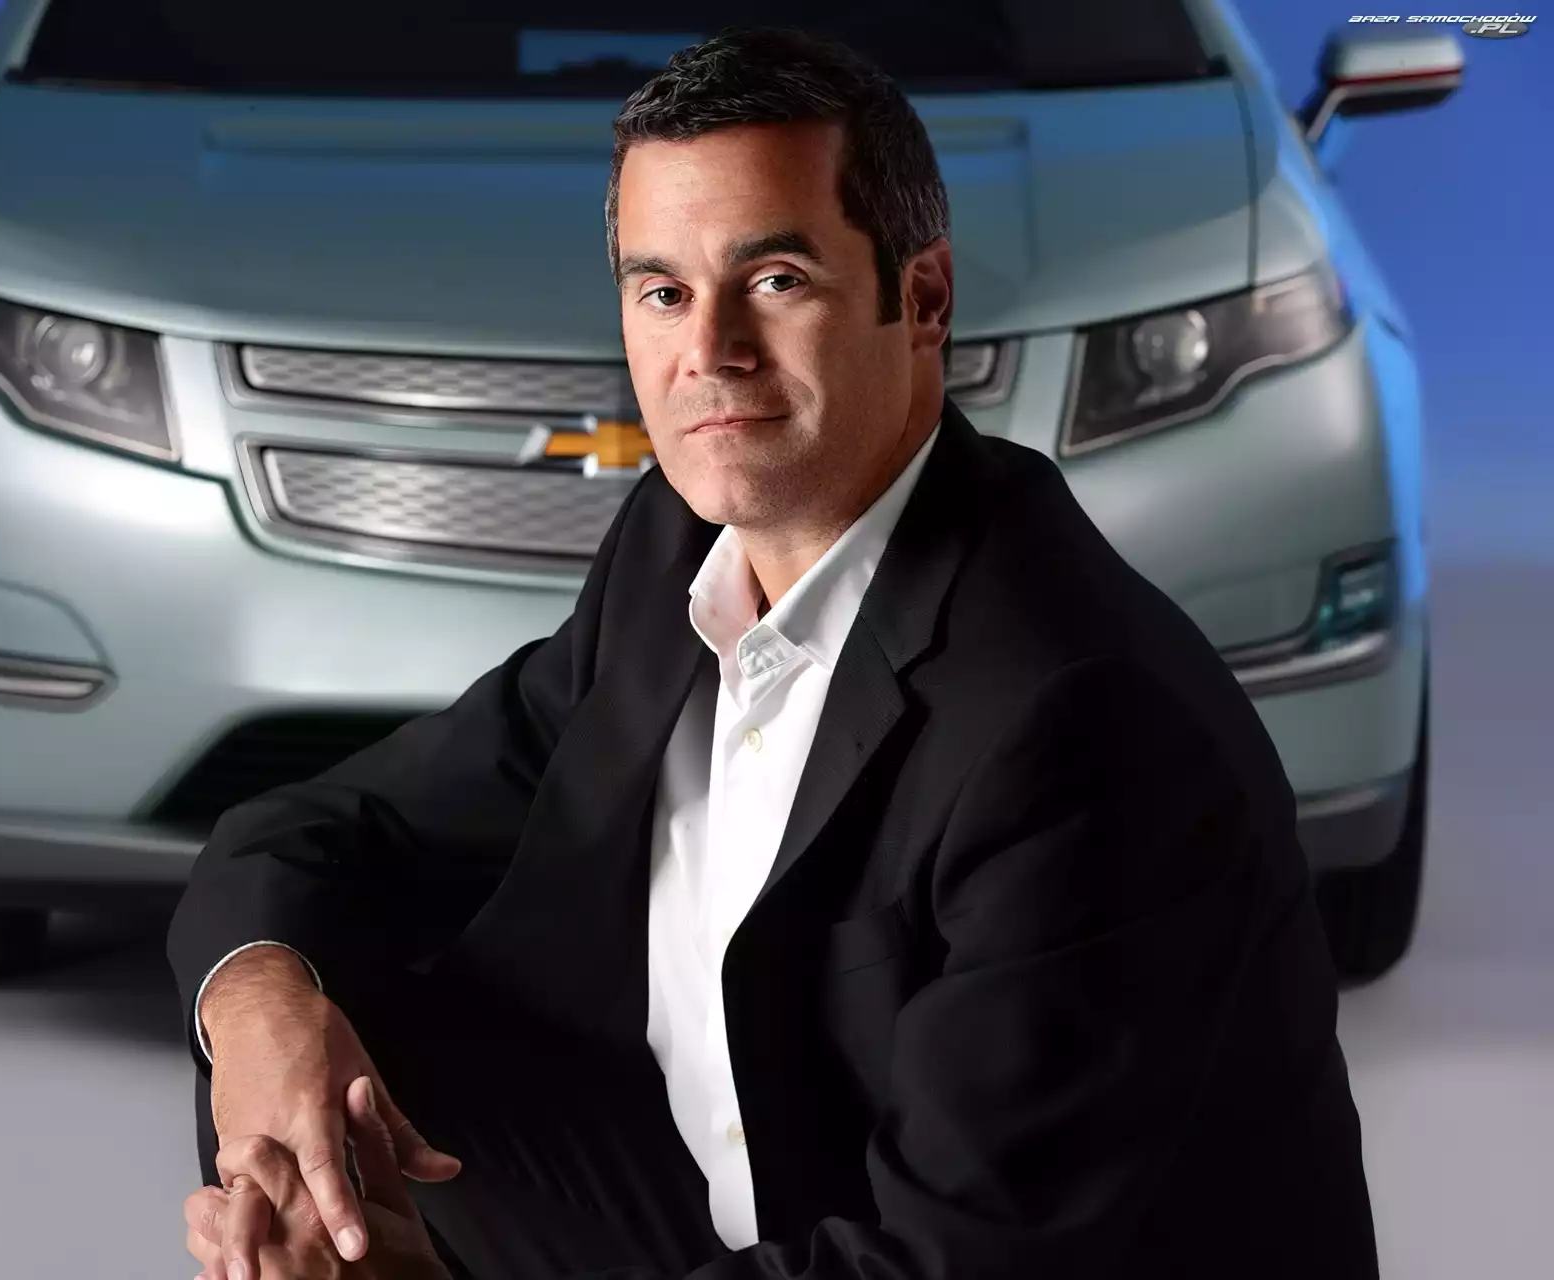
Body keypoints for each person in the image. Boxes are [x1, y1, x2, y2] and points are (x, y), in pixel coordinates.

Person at [167, 26, 1379, 1280]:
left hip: (945, 1258)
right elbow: (329, 831)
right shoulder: (682, 548)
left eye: (778, 279)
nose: (711, 352)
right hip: (749, 1216)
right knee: (303, 1089)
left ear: (923, 299)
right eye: (663, 292)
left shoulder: (1078, 720)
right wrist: (258, 1006)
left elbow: (949, 1263)